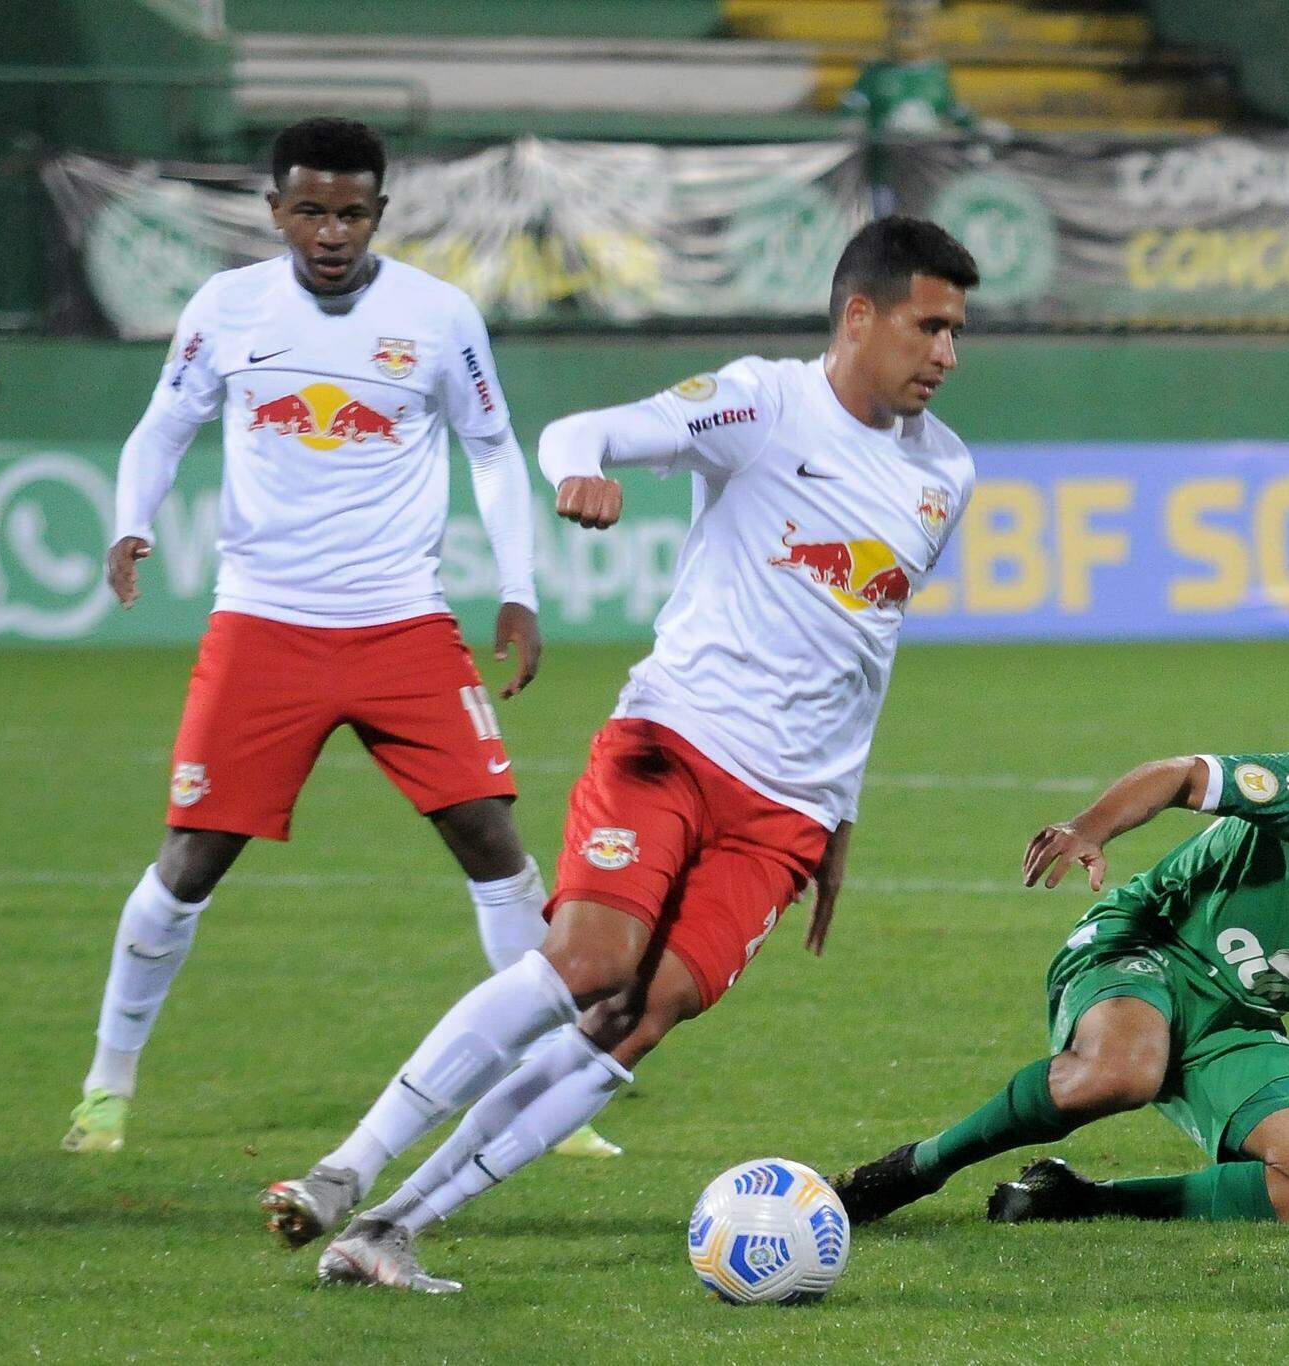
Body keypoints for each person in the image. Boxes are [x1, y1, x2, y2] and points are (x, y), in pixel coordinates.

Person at [258, 215, 981, 1293]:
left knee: (637, 1018)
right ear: (859, 315)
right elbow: (584, 429)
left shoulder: (945, 474)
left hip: (787, 810)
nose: (945, 354)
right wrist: (580, 472)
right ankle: (341, 1170)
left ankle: (394, 1226)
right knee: (588, 963)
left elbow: (865, 653)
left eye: (958, 332)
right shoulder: (762, 401)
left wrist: (840, 820)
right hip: (677, 741)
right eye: (928, 325)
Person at [59, 116, 630, 1160]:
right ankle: (106, 1086)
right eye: (311, 209)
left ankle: (534, 1090)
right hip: (264, 625)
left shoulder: (438, 314)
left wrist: (516, 588)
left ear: (380, 213)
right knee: (190, 859)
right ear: (275, 209)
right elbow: (163, 424)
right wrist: (130, 519)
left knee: (495, 844)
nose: (331, 231)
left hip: (402, 627)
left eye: (352, 211)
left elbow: (494, 452)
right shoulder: (226, 309)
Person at [832, 686, 1289, 1229]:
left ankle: (1081, 1200)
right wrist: (1091, 826)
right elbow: (1185, 776)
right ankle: (914, 1169)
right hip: (1144, 948)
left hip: (1237, 1018)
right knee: (1122, 1072)